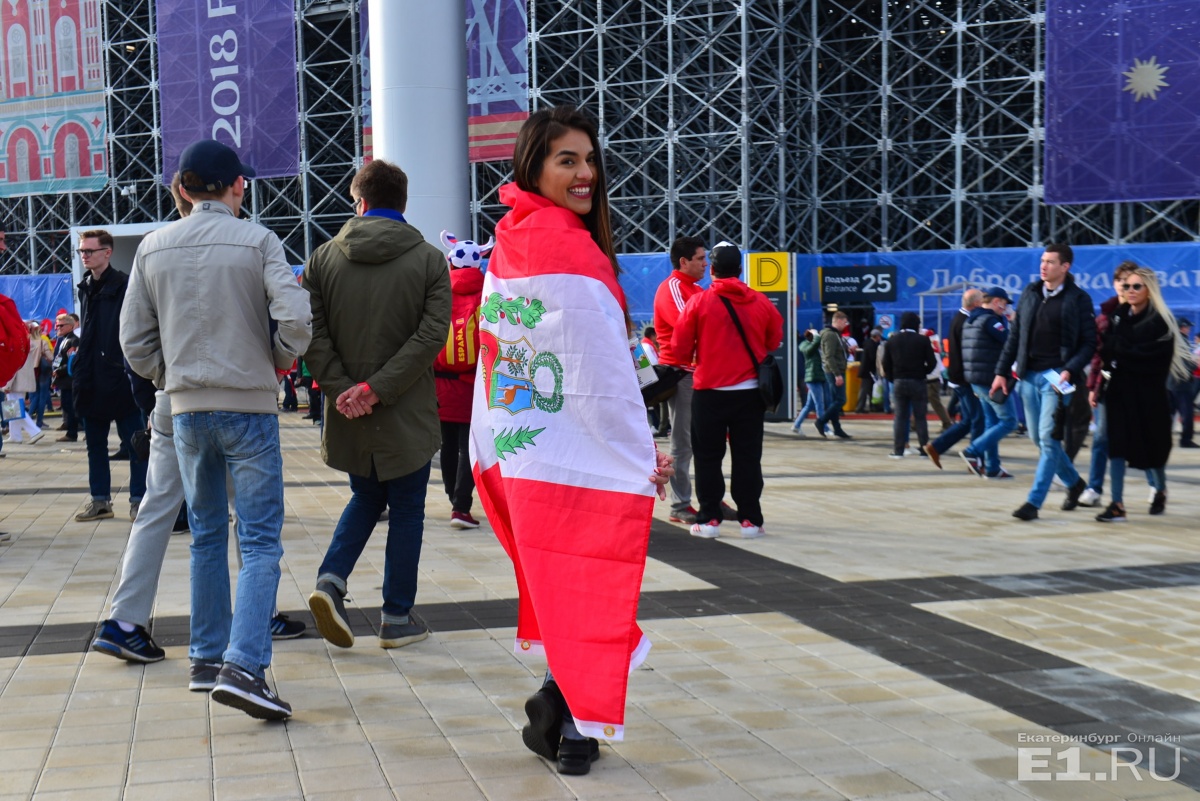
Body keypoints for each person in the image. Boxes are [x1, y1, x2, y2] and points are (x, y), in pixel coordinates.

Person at [469, 106, 673, 776]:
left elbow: (568, 360)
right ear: (534, 165)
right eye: (568, 161)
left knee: (567, 580)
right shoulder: (565, 245)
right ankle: (572, 725)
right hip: (571, 452)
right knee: (585, 579)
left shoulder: (513, 237)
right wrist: (638, 449)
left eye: (590, 160)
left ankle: (563, 716)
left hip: (532, 449)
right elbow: (598, 374)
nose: (586, 173)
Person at [121, 139, 312, 720]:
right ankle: (244, 666)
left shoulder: (152, 247)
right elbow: (297, 317)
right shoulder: (258, 240)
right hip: (247, 406)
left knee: (205, 533)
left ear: (181, 188)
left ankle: (207, 657)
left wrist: (173, 377)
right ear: (237, 187)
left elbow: (134, 340)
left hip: (184, 410)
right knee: (257, 541)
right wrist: (276, 360)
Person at [303, 160, 450, 652]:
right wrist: (377, 389)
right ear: (402, 202)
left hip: (347, 412)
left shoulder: (323, 258)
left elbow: (312, 334)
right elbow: (431, 336)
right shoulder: (430, 259)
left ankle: (331, 580)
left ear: (358, 200)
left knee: (365, 497)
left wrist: (345, 389)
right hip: (404, 408)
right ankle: (396, 615)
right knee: (407, 508)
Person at [672, 242, 783, 539]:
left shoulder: (699, 302)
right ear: (740, 269)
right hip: (750, 394)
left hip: (710, 391)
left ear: (713, 269)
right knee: (747, 457)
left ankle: (709, 520)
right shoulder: (761, 302)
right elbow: (773, 341)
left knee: (708, 457)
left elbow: (680, 350)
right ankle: (751, 520)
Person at [991, 243, 1095, 521]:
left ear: (1065, 267)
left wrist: (1070, 368)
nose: (1043, 266)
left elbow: (1088, 342)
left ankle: (1033, 502)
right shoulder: (1030, 293)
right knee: (1039, 439)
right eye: (1042, 260)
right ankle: (1075, 484)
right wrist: (1001, 372)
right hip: (1028, 377)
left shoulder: (1078, 299)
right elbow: (1015, 337)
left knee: (1049, 438)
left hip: (1058, 379)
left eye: (1050, 261)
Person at [1094, 268, 1192, 522]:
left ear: (1149, 289)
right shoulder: (1118, 316)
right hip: (1118, 391)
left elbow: (1152, 359)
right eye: (1127, 287)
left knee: (1152, 449)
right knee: (1116, 446)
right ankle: (1117, 504)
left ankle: (1159, 488)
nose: (1131, 291)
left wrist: (1122, 351)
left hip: (1149, 395)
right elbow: (1106, 351)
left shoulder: (1161, 321)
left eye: (1137, 286)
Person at [73, 229, 147, 522]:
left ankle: (138, 499)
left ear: (107, 252)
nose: (84, 256)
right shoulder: (86, 286)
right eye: (82, 251)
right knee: (95, 445)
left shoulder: (126, 285)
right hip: (90, 377)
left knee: (136, 445)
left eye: (89, 251)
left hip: (120, 377)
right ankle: (100, 500)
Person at [434, 231, 489, 530]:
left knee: (447, 444)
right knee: (470, 446)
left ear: (450, 264)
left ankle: (451, 497)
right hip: (473, 384)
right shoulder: (487, 294)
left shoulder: (439, 294)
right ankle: (461, 505)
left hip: (441, 383)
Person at [653, 235, 706, 523]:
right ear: (683, 261)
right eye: (700, 259)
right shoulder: (673, 288)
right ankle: (680, 505)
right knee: (683, 442)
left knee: (705, 442)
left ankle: (708, 497)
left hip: (702, 374)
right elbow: (688, 325)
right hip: (684, 373)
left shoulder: (696, 289)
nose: (705, 264)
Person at [959, 287, 1017, 479]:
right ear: (996, 301)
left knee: (992, 422)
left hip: (976, 380)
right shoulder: (991, 321)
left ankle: (993, 467)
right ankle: (973, 450)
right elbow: (1010, 343)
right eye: (1004, 304)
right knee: (1009, 422)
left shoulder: (971, 320)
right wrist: (1013, 324)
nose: (1005, 308)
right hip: (991, 379)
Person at [925, 290, 984, 464]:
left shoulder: (959, 318)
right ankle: (974, 456)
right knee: (978, 419)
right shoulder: (966, 321)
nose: (983, 304)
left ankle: (937, 447)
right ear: (974, 304)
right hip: (964, 378)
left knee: (967, 421)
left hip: (958, 377)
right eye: (981, 301)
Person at [882, 312, 937, 459]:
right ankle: (924, 449)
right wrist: (922, 372)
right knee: (920, 417)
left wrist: (892, 378)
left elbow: (885, 364)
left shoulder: (892, 341)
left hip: (899, 381)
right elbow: (932, 363)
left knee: (900, 417)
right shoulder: (923, 340)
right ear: (916, 325)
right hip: (918, 381)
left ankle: (898, 450)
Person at [3, 321, 47, 444]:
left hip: (15, 380)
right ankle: (15, 435)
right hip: (21, 379)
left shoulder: (15, 342)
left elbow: (12, 364)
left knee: (14, 408)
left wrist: (7, 383)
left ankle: (35, 431)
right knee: (13, 407)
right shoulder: (25, 341)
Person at [814, 311, 853, 439]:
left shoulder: (835, 334)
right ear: (839, 320)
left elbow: (833, 353)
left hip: (834, 371)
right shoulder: (830, 335)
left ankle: (837, 428)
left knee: (836, 400)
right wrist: (837, 374)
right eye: (845, 322)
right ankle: (821, 421)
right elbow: (829, 356)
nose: (846, 324)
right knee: (841, 400)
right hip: (834, 372)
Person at [792, 328, 827, 434]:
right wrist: (817, 335)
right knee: (819, 404)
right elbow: (814, 346)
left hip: (815, 377)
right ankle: (824, 427)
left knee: (809, 405)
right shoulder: (804, 346)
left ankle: (796, 425)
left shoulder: (807, 345)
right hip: (812, 377)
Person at [51, 313, 80, 441]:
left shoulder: (73, 340)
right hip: (64, 379)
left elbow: (72, 360)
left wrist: (60, 370)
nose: (58, 328)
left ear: (70, 326)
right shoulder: (64, 340)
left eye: (61, 326)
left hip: (69, 379)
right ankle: (72, 430)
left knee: (70, 406)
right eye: (57, 326)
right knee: (67, 405)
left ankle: (72, 432)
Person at [1170, 317, 1196, 448]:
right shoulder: (1182, 341)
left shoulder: (1171, 339)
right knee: (1187, 413)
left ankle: (1161, 439)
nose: (1189, 329)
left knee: (1168, 413)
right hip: (1181, 383)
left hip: (1170, 382)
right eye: (1187, 327)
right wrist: (1194, 366)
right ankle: (1186, 440)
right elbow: (1184, 363)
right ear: (1182, 327)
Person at [855, 328, 882, 413]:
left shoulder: (867, 343)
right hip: (868, 371)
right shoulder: (872, 345)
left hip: (867, 370)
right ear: (877, 336)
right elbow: (873, 357)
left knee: (870, 389)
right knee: (864, 389)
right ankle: (859, 408)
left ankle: (872, 406)